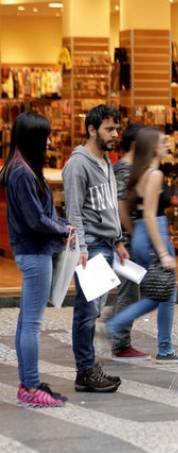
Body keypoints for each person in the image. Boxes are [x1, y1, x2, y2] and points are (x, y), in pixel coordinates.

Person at [0, 112, 71, 407]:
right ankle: (29, 386)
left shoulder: (21, 168)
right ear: (34, 138)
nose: (50, 141)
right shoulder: (21, 172)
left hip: (32, 251)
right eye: (46, 136)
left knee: (26, 322)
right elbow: (35, 219)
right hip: (34, 252)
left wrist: (61, 224)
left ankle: (29, 382)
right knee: (31, 323)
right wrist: (62, 229)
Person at [63, 104, 128, 393]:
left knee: (95, 310)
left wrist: (117, 239)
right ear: (91, 129)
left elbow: (109, 205)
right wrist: (81, 248)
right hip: (90, 246)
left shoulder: (106, 161)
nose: (115, 134)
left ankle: (90, 367)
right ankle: (85, 371)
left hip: (105, 245)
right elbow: (73, 212)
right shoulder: (78, 164)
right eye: (109, 129)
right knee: (87, 312)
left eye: (116, 128)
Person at [105, 128, 178, 362]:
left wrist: (133, 232)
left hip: (142, 232)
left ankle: (164, 347)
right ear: (152, 147)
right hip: (154, 231)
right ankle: (115, 325)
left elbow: (127, 208)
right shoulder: (154, 174)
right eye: (162, 141)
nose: (167, 144)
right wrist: (162, 252)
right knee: (162, 293)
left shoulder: (140, 173)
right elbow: (150, 214)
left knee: (161, 291)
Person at [106, 123, 148, 360]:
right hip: (127, 240)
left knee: (131, 290)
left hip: (130, 237)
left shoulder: (131, 168)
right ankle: (120, 342)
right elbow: (121, 205)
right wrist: (130, 233)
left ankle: (112, 325)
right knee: (129, 291)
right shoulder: (125, 169)